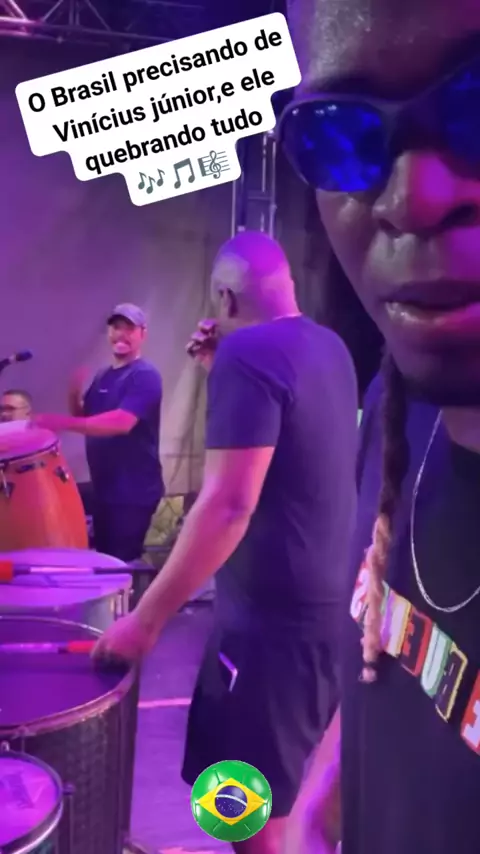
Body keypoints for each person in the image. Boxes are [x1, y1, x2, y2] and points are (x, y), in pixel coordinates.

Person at [279, 1, 480, 853]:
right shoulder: (399, 412)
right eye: (341, 134)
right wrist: (322, 797)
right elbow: (402, 659)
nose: (414, 198)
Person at [93, 231, 358, 854]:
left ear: (226, 298)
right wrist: (222, 370)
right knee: (295, 798)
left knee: (234, 804)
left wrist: (145, 622)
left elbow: (228, 505)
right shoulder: (332, 347)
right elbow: (290, 453)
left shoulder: (249, 355)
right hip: (329, 614)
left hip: (267, 629)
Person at [33, 303, 163, 561]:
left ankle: (135, 590)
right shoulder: (104, 375)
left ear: (143, 334)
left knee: (121, 562)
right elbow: (86, 419)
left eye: (129, 329)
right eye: (116, 328)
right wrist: (73, 393)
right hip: (104, 487)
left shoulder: (145, 375)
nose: (121, 334)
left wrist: (59, 422)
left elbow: (121, 423)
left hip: (133, 492)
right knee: (104, 559)